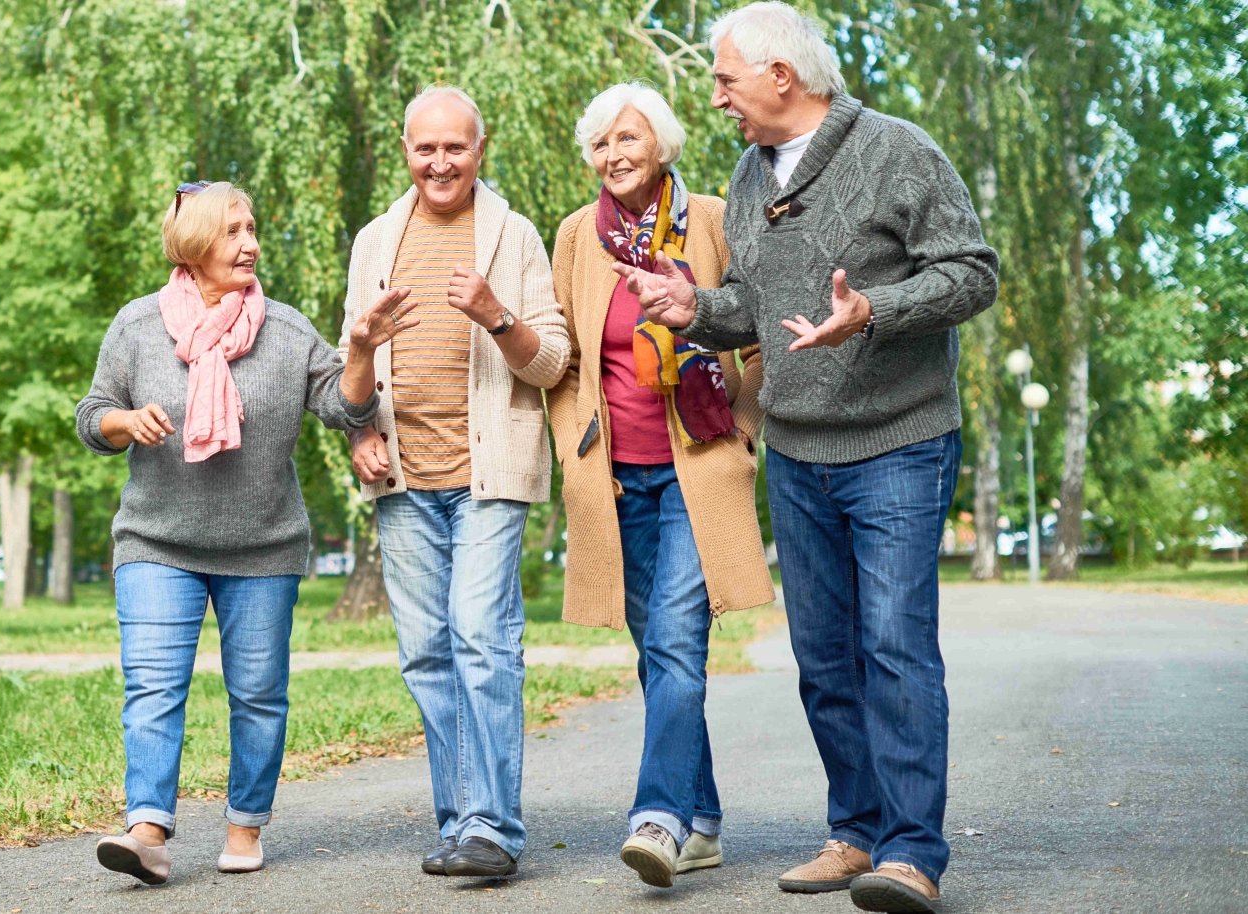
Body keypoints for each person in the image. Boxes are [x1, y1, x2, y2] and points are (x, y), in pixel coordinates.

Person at [613, 4, 1000, 911]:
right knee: (824, 657)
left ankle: (911, 853)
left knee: (894, 648)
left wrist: (873, 309)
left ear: (780, 76)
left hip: (897, 441)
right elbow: (753, 303)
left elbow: (972, 272)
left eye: (723, 79)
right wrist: (693, 309)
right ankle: (853, 832)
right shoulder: (749, 175)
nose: (714, 99)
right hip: (794, 449)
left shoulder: (898, 150)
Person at [76, 181, 412, 885]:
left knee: (257, 693)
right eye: (233, 231)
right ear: (194, 245)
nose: (250, 243)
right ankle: (147, 831)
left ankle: (244, 823)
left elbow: (343, 409)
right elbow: (92, 413)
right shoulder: (138, 326)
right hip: (155, 542)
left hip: (262, 547)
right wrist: (124, 423)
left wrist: (356, 349)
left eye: (252, 228)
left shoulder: (285, 331)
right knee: (152, 687)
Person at [546, 82, 775, 889]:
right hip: (614, 478)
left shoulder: (710, 219)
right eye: (601, 142)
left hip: (695, 466)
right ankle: (703, 816)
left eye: (628, 138)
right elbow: (567, 357)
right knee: (657, 656)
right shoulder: (577, 236)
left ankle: (658, 818)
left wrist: (742, 429)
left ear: (663, 145)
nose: (613, 154)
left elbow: (755, 328)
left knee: (677, 643)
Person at [339, 86, 571, 879]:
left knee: (480, 637)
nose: (439, 163)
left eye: (455, 148)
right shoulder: (375, 240)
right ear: (405, 149)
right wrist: (359, 427)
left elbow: (551, 363)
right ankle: (459, 821)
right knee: (426, 655)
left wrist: (495, 315)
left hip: (488, 471)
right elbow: (351, 377)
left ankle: (493, 829)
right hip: (402, 476)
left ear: (481, 149)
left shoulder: (512, 236)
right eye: (424, 148)